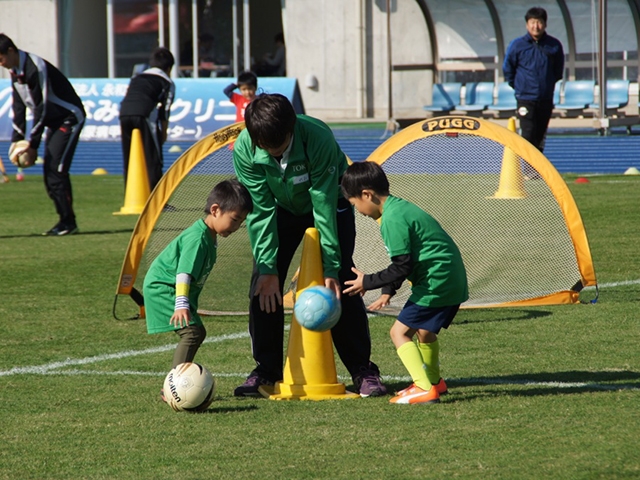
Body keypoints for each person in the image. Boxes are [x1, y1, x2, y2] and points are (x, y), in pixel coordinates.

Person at [232, 93, 386, 398]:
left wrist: (329, 264)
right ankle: (266, 369)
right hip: (280, 209)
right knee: (263, 282)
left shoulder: (317, 138)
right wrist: (267, 268)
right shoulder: (245, 148)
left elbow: (324, 204)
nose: (273, 154)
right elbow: (261, 211)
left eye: (280, 147)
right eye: (266, 148)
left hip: (330, 204)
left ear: (292, 128)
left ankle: (362, 369)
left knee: (341, 276)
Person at [341, 162, 469, 405]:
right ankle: (434, 382)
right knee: (424, 330)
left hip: (437, 281)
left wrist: (367, 282)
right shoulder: (398, 208)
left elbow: (402, 266)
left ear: (367, 194)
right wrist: (388, 290)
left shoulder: (391, 219)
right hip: (449, 277)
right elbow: (407, 260)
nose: (358, 211)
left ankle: (423, 388)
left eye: (355, 203)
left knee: (399, 332)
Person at [143, 179, 252, 378]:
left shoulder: (209, 236)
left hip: (173, 288)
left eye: (241, 222)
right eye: (235, 219)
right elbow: (183, 273)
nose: (237, 226)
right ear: (215, 210)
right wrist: (181, 304)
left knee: (198, 332)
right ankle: (174, 385)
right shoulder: (198, 238)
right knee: (191, 333)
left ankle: (179, 380)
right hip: (165, 287)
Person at [0, 33, 85, 235]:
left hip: (69, 118)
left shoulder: (34, 67)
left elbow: (41, 107)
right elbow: (19, 106)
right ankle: (65, 220)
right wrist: (17, 140)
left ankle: (68, 222)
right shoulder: (14, 69)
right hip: (53, 122)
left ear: (10, 51)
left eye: (1, 58)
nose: (1, 64)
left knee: (56, 169)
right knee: (50, 171)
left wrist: (32, 144)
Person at [503, 6, 564, 153]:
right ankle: (527, 171)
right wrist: (519, 86)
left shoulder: (554, 45)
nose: (536, 26)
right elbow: (508, 69)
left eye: (539, 22)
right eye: (532, 22)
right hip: (525, 98)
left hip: (545, 98)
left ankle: (536, 171)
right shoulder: (517, 45)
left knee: (540, 135)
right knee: (528, 133)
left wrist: (547, 85)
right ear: (527, 24)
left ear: (545, 24)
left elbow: (558, 71)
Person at [119, 47, 175, 193]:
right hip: (144, 115)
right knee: (153, 158)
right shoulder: (167, 82)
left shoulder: (137, 77)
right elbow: (165, 110)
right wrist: (163, 133)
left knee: (130, 155)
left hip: (124, 113)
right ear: (169, 68)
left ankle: (131, 195)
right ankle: (156, 200)